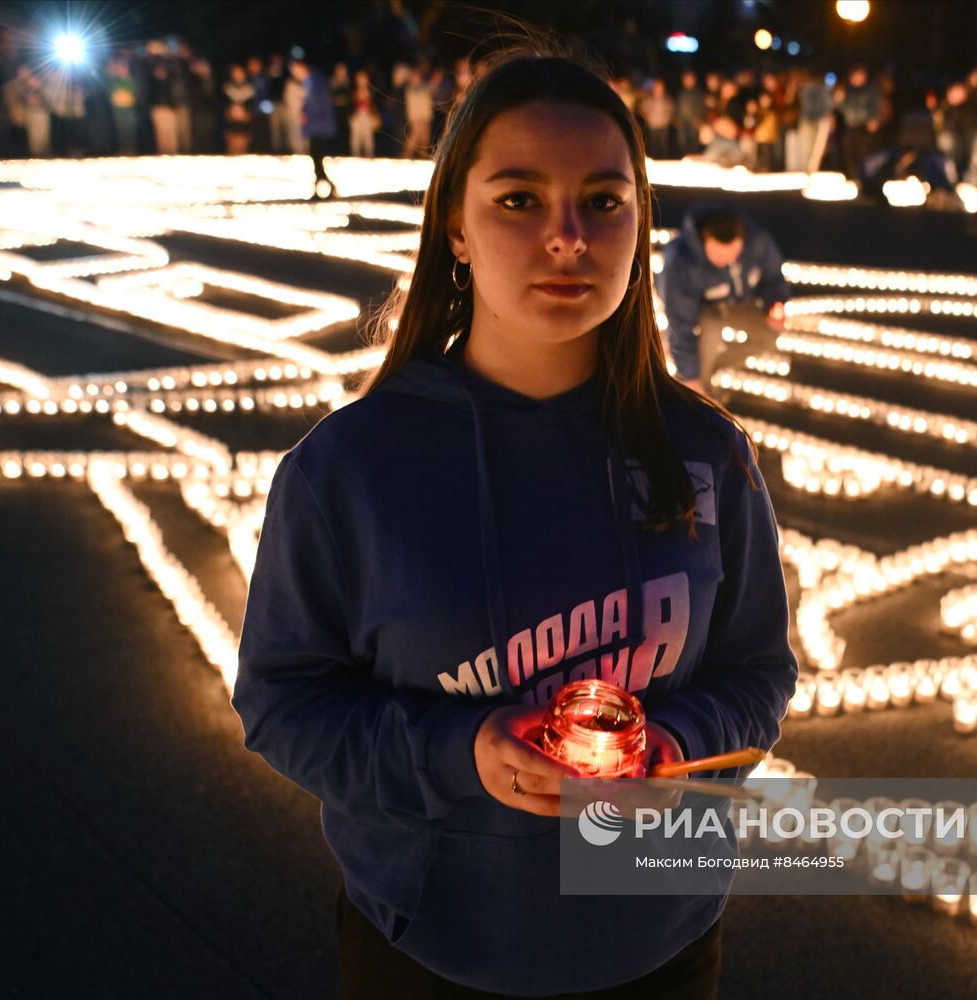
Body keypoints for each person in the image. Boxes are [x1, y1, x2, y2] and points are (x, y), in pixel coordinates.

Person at [233, 40, 796, 1000]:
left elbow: (757, 671)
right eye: (519, 198)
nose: (568, 236)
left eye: (604, 201)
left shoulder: (705, 453)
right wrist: (464, 753)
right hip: (431, 948)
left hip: (658, 939)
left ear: (640, 224)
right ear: (454, 225)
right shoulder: (349, 469)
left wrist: (679, 750)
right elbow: (284, 706)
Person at [656, 203, 789, 394]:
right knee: (711, 334)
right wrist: (690, 376)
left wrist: (776, 304)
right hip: (702, 307)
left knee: (769, 335)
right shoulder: (681, 262)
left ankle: (706, 373)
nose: (726, 261)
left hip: (738, 302)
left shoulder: (757, 241)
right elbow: (680, 323)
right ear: (704, 240)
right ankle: (697, 388)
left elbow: (773, 277)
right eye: (718, 257)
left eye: (733, 255)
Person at [290, 56, 339, 199]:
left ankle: (324, 187)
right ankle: (323, 186)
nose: (294, 74)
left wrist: (306, 114)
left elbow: (317, 105)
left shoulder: (315, 81)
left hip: (318, 126)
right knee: (316, 157)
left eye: (295, 70)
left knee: (317, 156)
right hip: (316, 125)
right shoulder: (311, 81)